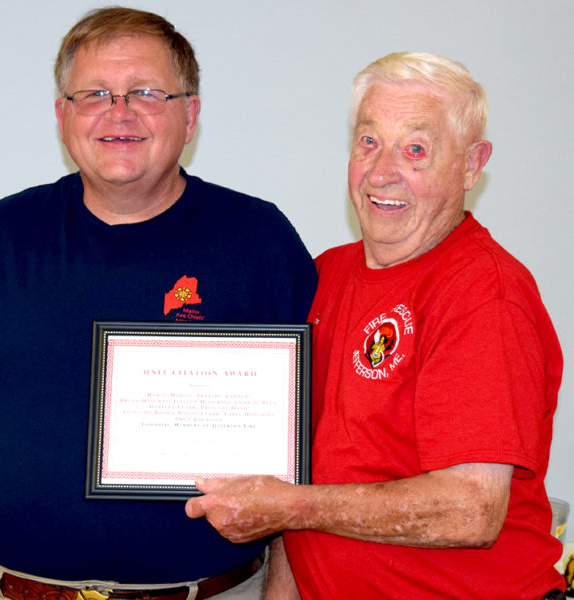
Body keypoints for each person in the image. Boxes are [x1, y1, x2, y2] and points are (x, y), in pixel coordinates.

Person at [0, 7, 317, 600]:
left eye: (145, 92)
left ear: (190, 114)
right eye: (95, 94)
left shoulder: (260, 243)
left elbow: (308, 447)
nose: (119, 112)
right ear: (63, 116)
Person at [185, 52, 567, 600]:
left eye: (416, 149)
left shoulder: (485, 295)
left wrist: (288, 504)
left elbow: (470, 510)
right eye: (369, 142)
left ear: (470, 165)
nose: (382, 171)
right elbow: (303, 470)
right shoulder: (327, 275)